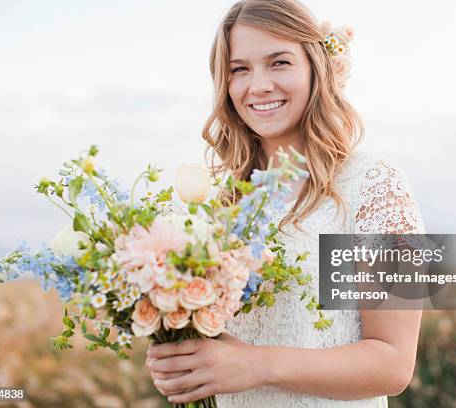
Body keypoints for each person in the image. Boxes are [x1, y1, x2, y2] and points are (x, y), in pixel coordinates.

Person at [145, 0, 425, 406]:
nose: (257, 85)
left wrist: (257, 365)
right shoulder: (214, 203)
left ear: (316, 67)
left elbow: (394, 363)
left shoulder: (373, 183)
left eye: (278, 63)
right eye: (239, 69)